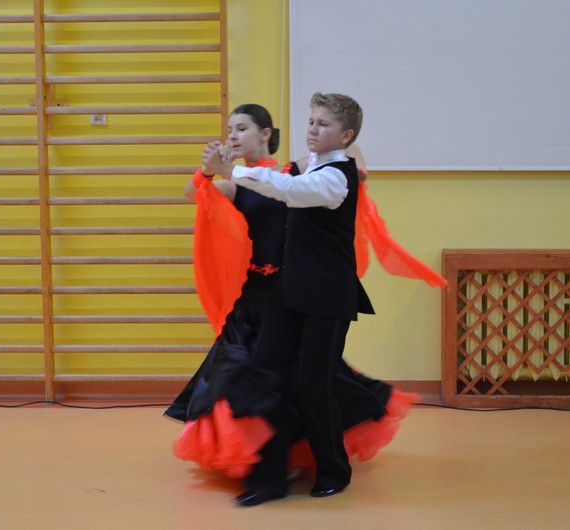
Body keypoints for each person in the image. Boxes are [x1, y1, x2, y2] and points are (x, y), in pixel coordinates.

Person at [166, 103, 416, 483]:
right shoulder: (235, 183)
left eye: (242, 128)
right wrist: (209, 169)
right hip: (255, 296)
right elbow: (192, 193)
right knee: (243, 371)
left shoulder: (296, 170)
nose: (233, 136)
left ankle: (301, 459)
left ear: (266, 133)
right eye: (230, 130)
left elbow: (349, 156)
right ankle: (260, 459)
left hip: (294, 290)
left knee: (305, 377)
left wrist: (349, 155)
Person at [202, 92, 375, 506]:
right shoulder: (312, 163)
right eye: (311, 121)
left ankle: (334, 470)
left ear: (346, 135)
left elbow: (288, 190)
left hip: (327, 297)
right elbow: (282, 179)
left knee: (315, 386)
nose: (312, 129)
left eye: (323, 124)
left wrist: (232, 170)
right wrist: (223, 167)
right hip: (290, 291)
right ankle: (270, 478)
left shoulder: (335, 177)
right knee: (263, 376)